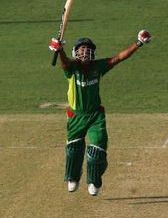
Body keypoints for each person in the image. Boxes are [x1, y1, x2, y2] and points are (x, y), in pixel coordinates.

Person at [48, 30, 152, 196]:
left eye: (87, 49)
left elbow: (118, 58)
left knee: (96, 152)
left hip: (95, 116)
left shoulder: (98, 67)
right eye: (81, 49)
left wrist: (138, 42)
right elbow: (65, 64)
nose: (85, 51)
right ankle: (73, 177)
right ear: (76, 52)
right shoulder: (72, 68)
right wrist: (59, 50)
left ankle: (94, 181)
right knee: (73, 149)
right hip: (76, 116)